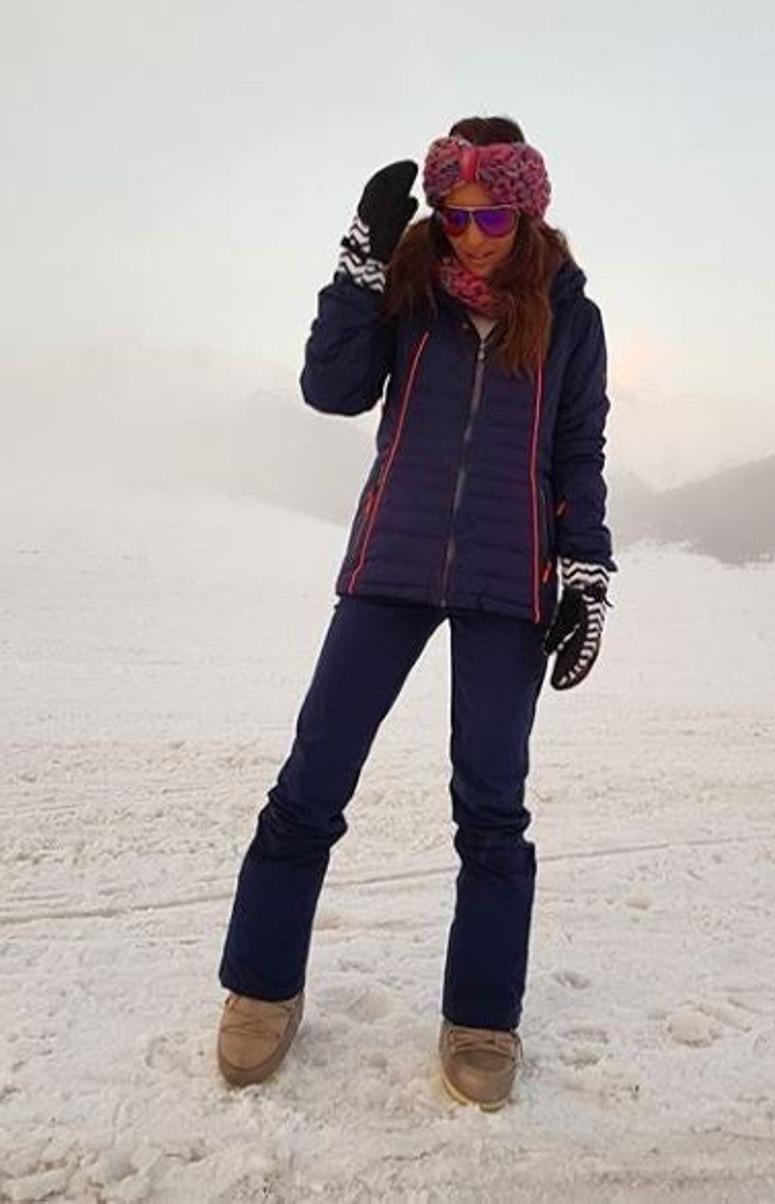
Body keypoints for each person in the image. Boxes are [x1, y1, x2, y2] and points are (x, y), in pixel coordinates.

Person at [214, 115, 617, 1110]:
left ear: (525, 210)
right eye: (451, 212)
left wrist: (588, 573)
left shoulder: (570, 315)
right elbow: (331, 387)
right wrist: (357, 265)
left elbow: (579, 456)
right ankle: (261, 988)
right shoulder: (408, 292)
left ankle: (482, 1016)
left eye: (489, 212)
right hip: (390, 565)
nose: (470, 232)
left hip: (506, 581)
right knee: (311, 779)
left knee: (491, 806)